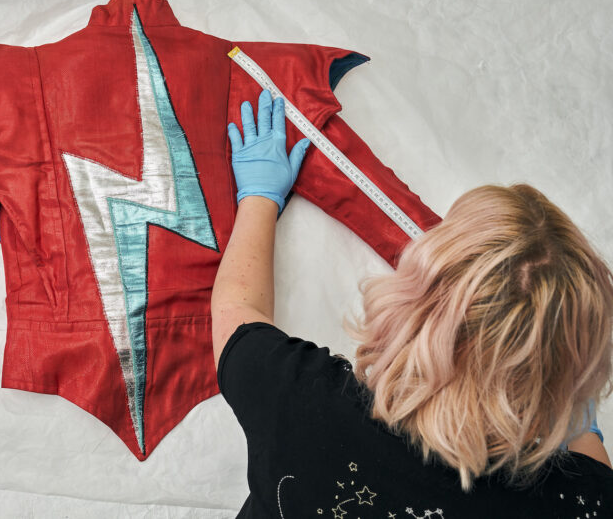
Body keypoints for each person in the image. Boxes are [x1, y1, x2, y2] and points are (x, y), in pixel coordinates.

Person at [212, 90, 613, 518]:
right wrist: (570, 399)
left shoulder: (300, 401)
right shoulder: (587, 501)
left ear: (406, 306)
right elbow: (591, 470)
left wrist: (258, 196)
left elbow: (236, 309)